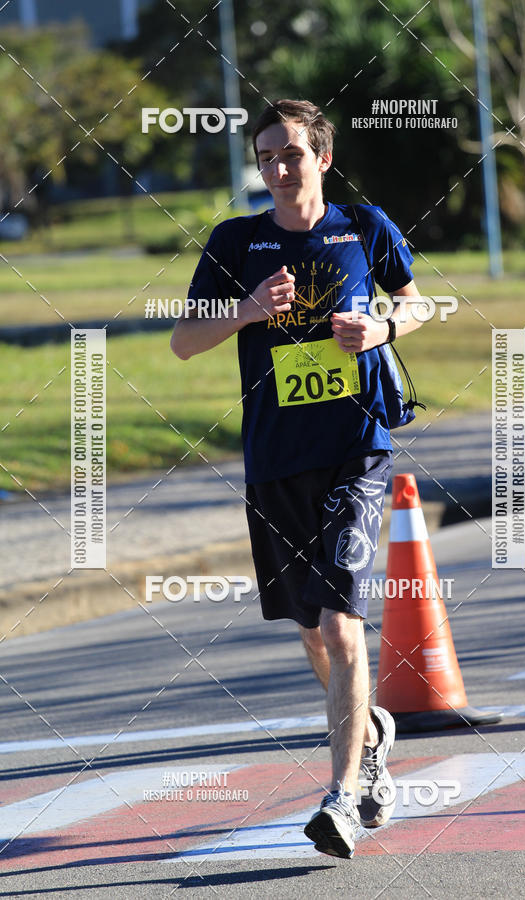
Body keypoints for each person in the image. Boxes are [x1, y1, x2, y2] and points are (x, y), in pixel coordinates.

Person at [171, 98, 425, 859]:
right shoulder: (235, 241)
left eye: (292, 154)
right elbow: (184, 341)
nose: (279, 169)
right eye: (267, 157)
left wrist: (382, 326)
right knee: (311, 628)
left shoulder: (364, 227)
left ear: (324, 158)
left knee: (343, 622)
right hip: (277, 460)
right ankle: (372, 731)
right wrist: (246, 312)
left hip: (357, 450)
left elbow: (423, 305)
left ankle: (343, 797)